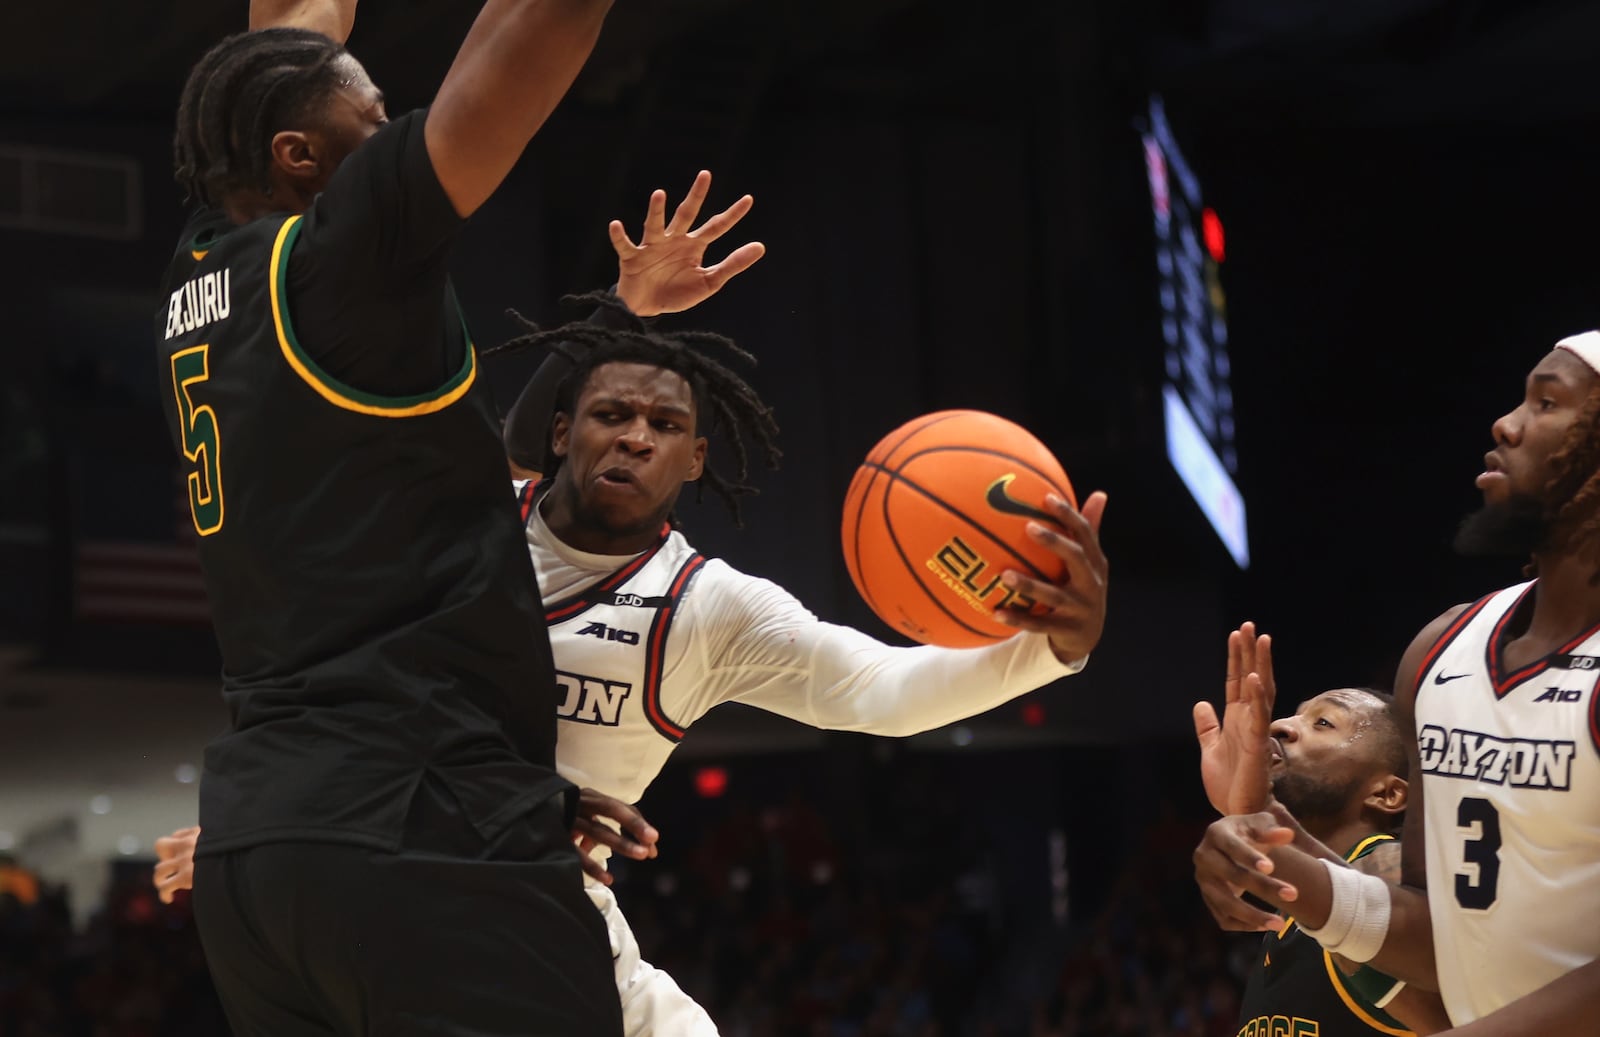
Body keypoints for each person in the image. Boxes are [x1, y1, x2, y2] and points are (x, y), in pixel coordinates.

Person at [158, 290, 1111, 1035]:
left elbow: (881, 690)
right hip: (388, 860)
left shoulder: (709, 607)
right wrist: (279, 814)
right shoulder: (467, 517)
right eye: (612, 413)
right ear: (563, 431)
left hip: (537, 905)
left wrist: (1048, 648)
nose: (635, 436)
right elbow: (338, 675)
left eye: (663, 427)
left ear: (696, 459)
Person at [152, 0, 693, 1029]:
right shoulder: (344, 260)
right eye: (376, 114)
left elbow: (295, 34)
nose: (395, 125)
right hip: (423, 822)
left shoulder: (204, 262)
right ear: (302, 157)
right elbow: (536, 29)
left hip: (262, 858)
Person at [1192, 333, 1600, 1034]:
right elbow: (1439, 935)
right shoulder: (1440, 649)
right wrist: (1270, 841)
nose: (1506, 423)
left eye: (1547, 401)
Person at [1195, 625, 1452, 1036]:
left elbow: (1451, 1015)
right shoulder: (1296, 908)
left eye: (1324, 723)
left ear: (1387, 794)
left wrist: (1259, 813)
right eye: (1296, 713)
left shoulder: (1385, 865)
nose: (1281, 725)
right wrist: (1250, 812)